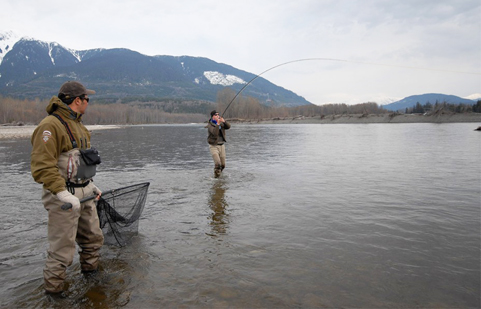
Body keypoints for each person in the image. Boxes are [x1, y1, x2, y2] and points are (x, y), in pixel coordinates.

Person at [30, 81, 104, 295]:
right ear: (77, 100)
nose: (88, 103)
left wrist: (92, 185)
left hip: (85, 192)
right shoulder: (50, 126)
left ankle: (92, 279)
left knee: (93, 238)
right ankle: (54, 294)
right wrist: (62, 193)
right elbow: (42, 166)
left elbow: (81, 162)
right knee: (62, 250)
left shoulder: (79, 125)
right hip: (63, 195)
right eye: (87, 99)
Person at [206, 110, 231, 177]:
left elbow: (228, 127)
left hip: (222, 146)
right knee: (217, 164)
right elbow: (214, 133)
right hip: (213, 146)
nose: (218, 116)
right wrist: (218, 124)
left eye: (218, 114)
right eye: (216, 115)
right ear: (212, 116)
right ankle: (216, 179)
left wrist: (224, 121)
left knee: (223, 165)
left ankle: (219, 176)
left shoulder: (221, 123)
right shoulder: (210, 125)